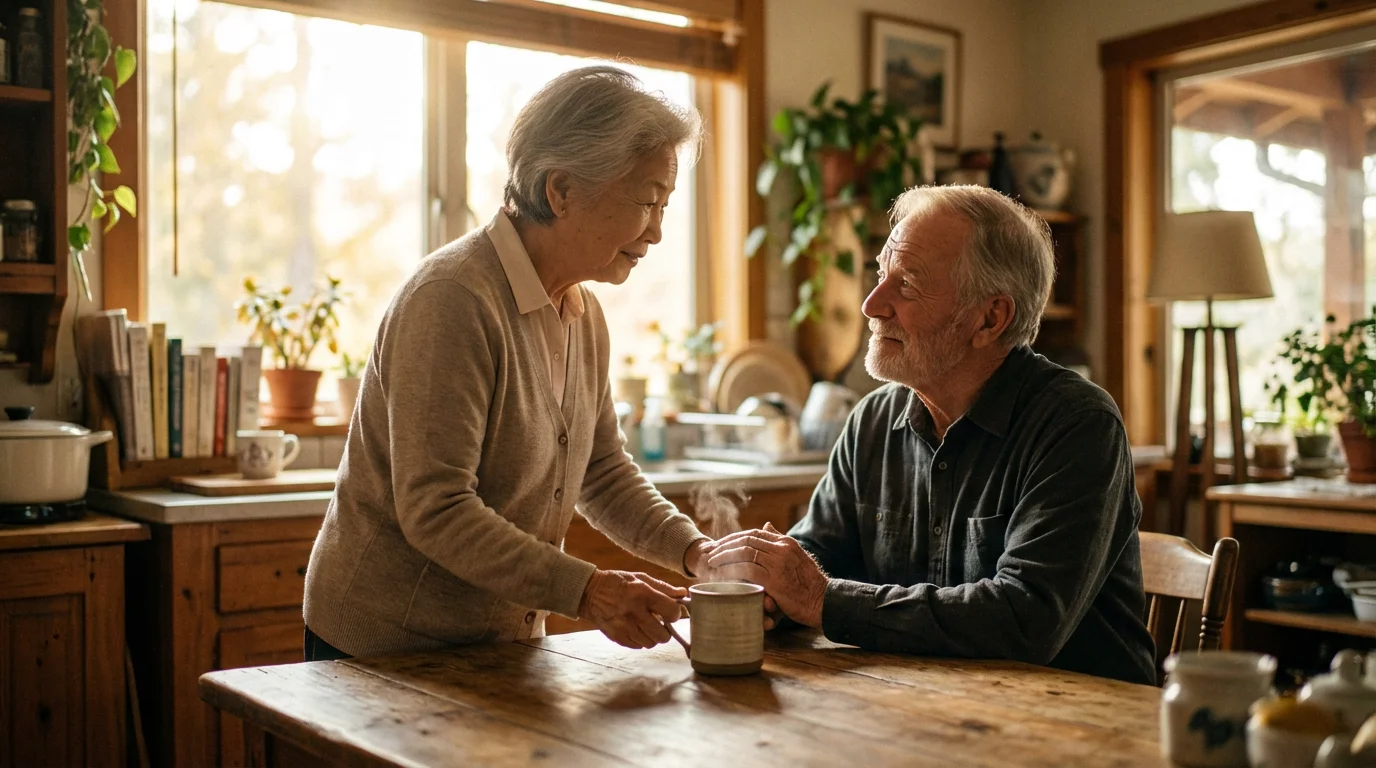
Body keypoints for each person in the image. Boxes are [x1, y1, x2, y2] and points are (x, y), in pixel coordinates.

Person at [302, 66, 713, 660]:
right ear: (561, 191)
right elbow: (437, 508)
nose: (656, 231)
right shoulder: (452, 298)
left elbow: (601, 472)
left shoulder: (583, 313)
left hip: (495, 646)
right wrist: (589, 592)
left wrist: (696, 552)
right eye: (647, 202)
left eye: (666, 205)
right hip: (383, 647)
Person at [705, 185, 1157, 685]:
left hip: (1084, 730)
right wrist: (768, 591)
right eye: (881, 275)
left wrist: (819, 600)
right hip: (924, 706)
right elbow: (819, 557)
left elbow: (1024, 619)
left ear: (990, 318)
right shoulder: (871, 421)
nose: (872, 305)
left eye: (908, 284)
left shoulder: (1077, 424)